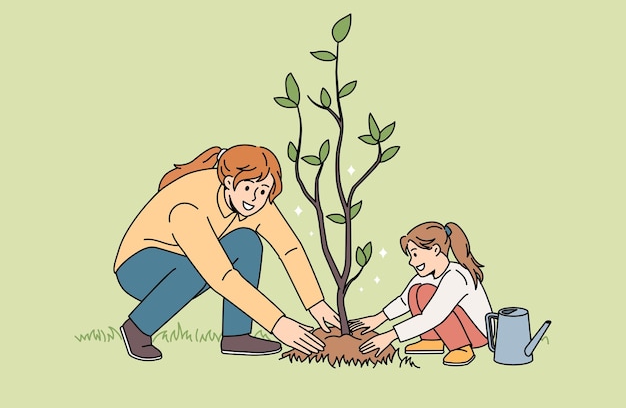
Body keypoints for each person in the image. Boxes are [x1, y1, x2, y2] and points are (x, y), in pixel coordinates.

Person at [113, 145, 340, 361]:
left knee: (247, 242)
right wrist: (278, 323)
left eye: (263, 191)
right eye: (249, 188)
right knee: (196, 267)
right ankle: (138, 328)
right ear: (230, 183)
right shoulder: (188, 207)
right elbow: (220, 275)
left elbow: (289, 249)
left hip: (187, 265)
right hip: (138, 268)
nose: (255, 198)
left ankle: (236, 335)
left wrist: (315, 303)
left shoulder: (257, 203)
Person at [349, 222, 492, 366]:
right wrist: (377, 319)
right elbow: (404, 301)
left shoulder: (456, 276)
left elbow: (432, 317)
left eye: (415, 254)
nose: (412, 262)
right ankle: (432, 341)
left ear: (435, 250)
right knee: (416, 291)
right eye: (411, 255)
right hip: (449, 323)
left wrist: (389, 336)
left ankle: (462, 347)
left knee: (425, 293)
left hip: (477, 334)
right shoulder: (425, 277)